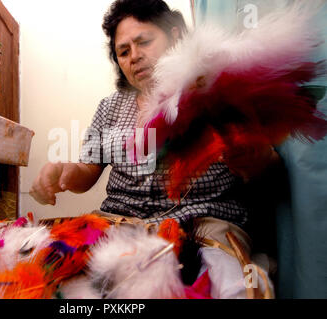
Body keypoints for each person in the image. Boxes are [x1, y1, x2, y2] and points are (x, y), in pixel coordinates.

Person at [29, 0, 279, 298]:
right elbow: (87, 172)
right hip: (118, 223)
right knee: (51, 279)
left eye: (143, 42)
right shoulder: (109, 108)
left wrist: (257, 159)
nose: (134, 56)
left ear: (174, 36)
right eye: (123, 51)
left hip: (204, 226)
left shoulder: (215, 91)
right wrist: (64, 172)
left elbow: (270, 169)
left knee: (230, 288)